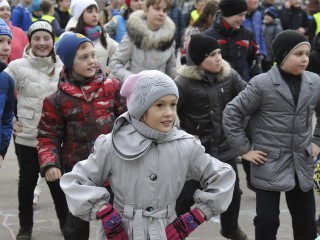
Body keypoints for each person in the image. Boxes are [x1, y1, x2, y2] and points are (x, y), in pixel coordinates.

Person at [60, 69, 236, 240]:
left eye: (172, 104)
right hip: (121, 231)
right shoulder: (113, 144)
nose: (169, 112)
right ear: (140, 108)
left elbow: (223, 176)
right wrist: (105, 213)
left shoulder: (185, 145)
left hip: (167, 231)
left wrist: (194, 218)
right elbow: (76, 181)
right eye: (159, 105)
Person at [223, 29, 320, 240]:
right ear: (283, 56)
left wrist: (317, 140)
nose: (305, 59)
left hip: (301, 163)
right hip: (268, 162)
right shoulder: (262, 84)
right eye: (298, 54)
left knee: (306, 224)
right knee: (267, 221)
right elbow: (232, 113)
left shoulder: (315, 82)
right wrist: (244, 150)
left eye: (306, 53)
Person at [37, 32, 127, 240]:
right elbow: (47, 135)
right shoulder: (56, 100)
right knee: (76, 226)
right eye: (83, 57)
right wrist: (51, 164)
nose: (92, 61)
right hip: (79, 171)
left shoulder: (112, 87)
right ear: (69, 62)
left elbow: (127, 122)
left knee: (119, 224)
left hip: (114, 169)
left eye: (93, 55)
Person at [175, 34, 248, 240]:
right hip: (196, 154)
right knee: (184, 198)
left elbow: (248, 99)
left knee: (233, 194)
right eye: (212, 54)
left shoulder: (230, 76)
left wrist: (240, 130)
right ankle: (173, 233)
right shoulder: (183, 84)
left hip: (225, 150)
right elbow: (169, 114)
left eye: (219, 53)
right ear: (199, 59)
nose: (218, 58)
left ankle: (230, 229)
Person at [5, 20, 69, 240]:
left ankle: (66, 225)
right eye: (37, 38)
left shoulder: (64, 66)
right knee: (27, 183)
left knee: (58, 184)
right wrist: (10, 120)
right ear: (30, 41)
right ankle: (25, 228)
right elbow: (3, 94)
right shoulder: (17, 66)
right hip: (27, 136)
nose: (42, 43)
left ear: (53, 40)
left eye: (46, 38)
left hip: (55, 139)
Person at [109, 0, 177, 82]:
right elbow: (115, 63)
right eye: (157, 9)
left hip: (160, 91)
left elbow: (171, 68)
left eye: (165, 10)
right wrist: (134, 80)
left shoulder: (169, 37)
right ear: (146, 10)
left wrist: (179, 78)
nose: (161, 13)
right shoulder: (134, 33)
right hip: (136, 90)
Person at [203, 0, 259, 82]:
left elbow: (254, 61)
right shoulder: (207, 36)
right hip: (215, 88)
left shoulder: (247, 35)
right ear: (229, 14)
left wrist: (256, 84)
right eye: (240, 15)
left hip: (240, 87)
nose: (243, 19)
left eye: (245, 15)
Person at [66, 0, 118, 75]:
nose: (95, 15)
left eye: (96, 11)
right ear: (80, 15)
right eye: (90, 11)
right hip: (77, 85)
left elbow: (118, 54)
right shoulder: (70, 37)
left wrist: (111, 75)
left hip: (100, 85)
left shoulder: (102, 34)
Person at [180, 0, 219, 64]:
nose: (219, 18)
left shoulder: (219, 31)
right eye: (216, 16)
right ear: (209, 16)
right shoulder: (194, 31)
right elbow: (186, 54)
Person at [0, 19, 14, 169]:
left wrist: (2, 150)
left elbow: (6, 119)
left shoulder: (6, 79)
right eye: (0, 41)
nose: (6, 48)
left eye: (9, 42)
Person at [261, 6, 282, 72]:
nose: (266, 17)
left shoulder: (277, 28)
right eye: (265, 15)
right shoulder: (263, 25)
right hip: (262, 57)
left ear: (273, 17)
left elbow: (278, 44)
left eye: (269, 15)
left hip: (270, 59)